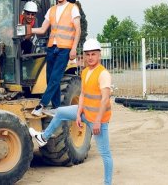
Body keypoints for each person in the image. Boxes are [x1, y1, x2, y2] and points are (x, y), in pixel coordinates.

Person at [29, 38, 113, 185]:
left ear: (99, 55)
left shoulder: (103, 74)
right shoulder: (85, 72)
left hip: (98, 120)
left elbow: (105, 100)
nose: (90, 57)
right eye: (87, 54)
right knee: (60, 112)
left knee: (105, 154)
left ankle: (107, 183)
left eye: (93, 54)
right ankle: (43, 137)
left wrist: (98, 121)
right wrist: (78, 114)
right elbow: (82, 95)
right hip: (85, 113)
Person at [29, 0, 80, 116]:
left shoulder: (72, 8)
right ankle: (57, 108)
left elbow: (78, 29)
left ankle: (42, 104)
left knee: (55, 78)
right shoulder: (51, 10)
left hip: (65, 48)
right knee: (49, 78)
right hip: (52, 47)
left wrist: (74, 48)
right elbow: (42, 29)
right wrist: (26, 30)